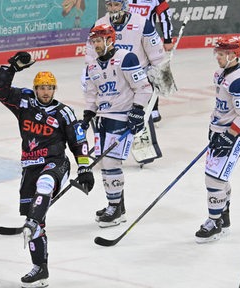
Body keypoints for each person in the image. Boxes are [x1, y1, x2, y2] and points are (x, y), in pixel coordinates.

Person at [0, 51, 95, 287]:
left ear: (54, 89)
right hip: (30, 166)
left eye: (50, 88)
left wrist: (85, 168)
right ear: (35, 89)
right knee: (37, 224)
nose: (46, 92)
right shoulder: (24, 102)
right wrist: (11, 68)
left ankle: (32, 221)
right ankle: (40, 268)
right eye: (42, 87)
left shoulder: (64, 112)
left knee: (45, 184)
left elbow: (78, 141)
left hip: (56, 163)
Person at [81, 24, 152, 227]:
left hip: (121, 117)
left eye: (98, 40)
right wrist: (87, 115)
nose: (95, 45)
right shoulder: (92, 66)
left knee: (111, 163)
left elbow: (143, 87)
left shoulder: (126, 58)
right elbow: (92, 95)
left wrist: (138, 110)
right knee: (105, 163)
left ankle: (114, 207)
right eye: (93, 41)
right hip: (101, 119)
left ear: (110, 40)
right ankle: (117, 206)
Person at [195, 35, 240, 244]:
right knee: (217, 177)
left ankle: (215, 222)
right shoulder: (221, 74)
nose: (218, 57)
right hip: (220, 132)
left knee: (214, 180)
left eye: (221, 54)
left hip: (235, 135)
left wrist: (229, 136)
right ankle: (224, 216)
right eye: (218, 53)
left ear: (233, 55)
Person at [87, 0, 166, 125]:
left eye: (116, 5)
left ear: (125, 6)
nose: (113, 9)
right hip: (112, 79)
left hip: (138, 77)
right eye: (110, 5)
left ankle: (152, 112)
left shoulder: (141, 23)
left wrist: (159, 73)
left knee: (139, 119)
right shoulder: (100, 24)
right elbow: (91, 55)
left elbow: (156, 53)